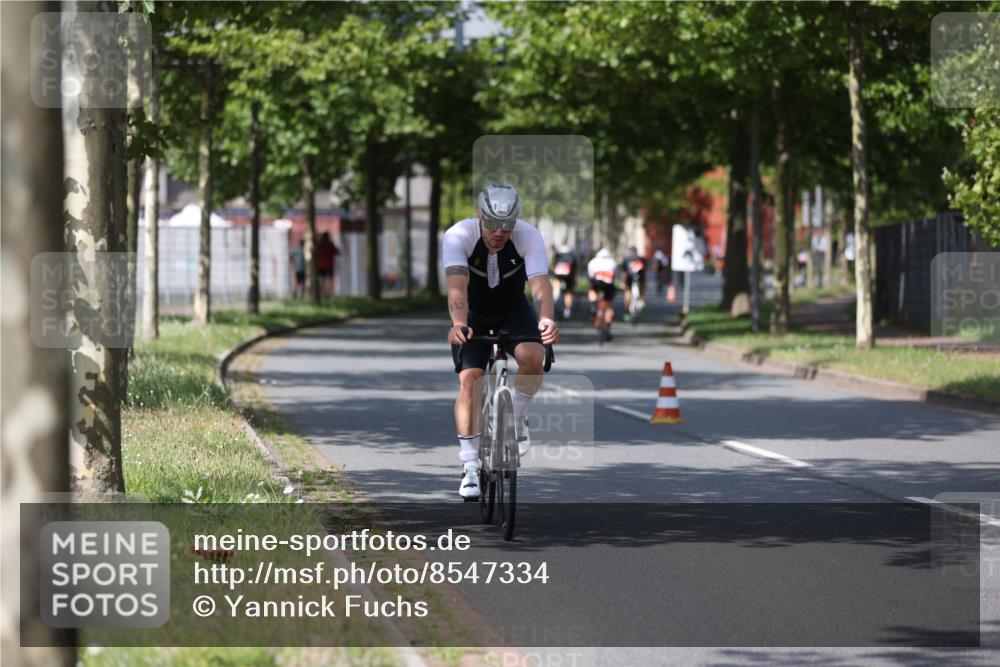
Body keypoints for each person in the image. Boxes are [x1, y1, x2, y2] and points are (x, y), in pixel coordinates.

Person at [443, 182, 559, 500]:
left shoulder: (528, 235)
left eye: (506, 227)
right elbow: (457, 288)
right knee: (471, 379)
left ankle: (517, 419)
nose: (499, 233)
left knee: (534, 357)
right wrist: (459, 325)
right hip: (474, 313)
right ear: (480, 216)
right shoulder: (459, 235)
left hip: (512, 310)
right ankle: (469, 466)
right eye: (493, 224)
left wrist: (546, 318)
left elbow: (540, 286)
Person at [587, 248, 618, 341]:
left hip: (597, 283)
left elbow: (590, 276)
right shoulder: (613, 262)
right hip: (609, 285)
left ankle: (593, 305)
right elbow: (615, 276)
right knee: (609, 306)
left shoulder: (592, 262)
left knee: (592, 290)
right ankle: (608, 326)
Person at [551, 244, 577, 320]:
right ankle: (567, 310)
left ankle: (555, 295)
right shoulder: (572, 258)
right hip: (569, 277)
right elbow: (574, 270)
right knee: (568, 292)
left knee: (556, 284)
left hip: (558, 277)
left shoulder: (557, 257)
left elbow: (553, 268)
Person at [621, 245, 647, 320]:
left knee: (627, 292)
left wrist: (623, 282)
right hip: (640, 279)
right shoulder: (641, 259)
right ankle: (642, 301)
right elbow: (645, 270)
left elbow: (624, 272)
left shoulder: (626, 259)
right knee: (641, 289)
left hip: (629, 278)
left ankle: (627, 308)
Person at [317, 232, 340, 298]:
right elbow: (337, 252)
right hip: (329, 265)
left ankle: (322, 294)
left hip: (320, 265)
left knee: (322, 280)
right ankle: (329, 294)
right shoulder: (330, 244)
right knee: (329, 280)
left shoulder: (319, 244)